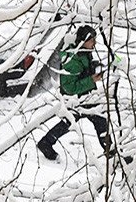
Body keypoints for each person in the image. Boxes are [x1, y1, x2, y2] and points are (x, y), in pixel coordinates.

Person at [37, 25, 113, 161]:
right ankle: (112, 153)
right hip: (76, 98)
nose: (94, 43)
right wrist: (91, 80)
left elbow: (83, 69)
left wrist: (98, 66)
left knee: (73, 122)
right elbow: (69, 87)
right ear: (83, 40)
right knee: (92, 121)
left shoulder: (83, 53)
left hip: (85, 96)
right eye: (92, 40)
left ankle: (46, 142)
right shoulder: (72, 59)